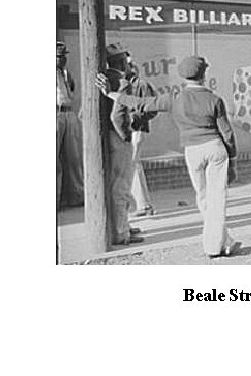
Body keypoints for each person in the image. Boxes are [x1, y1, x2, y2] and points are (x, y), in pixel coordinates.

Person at [97, 55, 240, 258]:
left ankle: (226, 240)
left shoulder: (174, 99)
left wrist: (111, 93)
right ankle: (214, 247)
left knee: (203, 198)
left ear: (184, 77)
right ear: (204, 75)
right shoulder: (215, 100)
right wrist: (233, 161)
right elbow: (227, 133)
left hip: (192, 151)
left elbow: (140, 103)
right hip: (215, 149)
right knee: (217, 199)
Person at [104, 43, 142, 245]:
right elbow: (117, 115)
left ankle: (122, 225)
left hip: (108, 137)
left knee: (115, 184)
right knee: (121, 186)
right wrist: (126, 135)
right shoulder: (121, 82)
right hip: (118, 138)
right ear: (120, 61)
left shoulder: (105, 77)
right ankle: (121, 232)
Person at [126, 60, 158, 217]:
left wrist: (135, 117)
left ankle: (143, 204)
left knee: (132, 165)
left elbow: (152, 108)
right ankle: (143, 203)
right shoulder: (123, 85)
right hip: (127, 130)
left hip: (136, 129)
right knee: (133, 165)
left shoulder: (142, 85)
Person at [56, 41, 84, 209]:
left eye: (64, 55)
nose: (63, 59)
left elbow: (71, 91)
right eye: (60, 56)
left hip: (68, 113)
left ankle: (76, 195)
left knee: (73, 157)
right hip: (55, 113)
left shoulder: (66, 73)